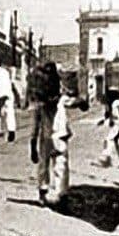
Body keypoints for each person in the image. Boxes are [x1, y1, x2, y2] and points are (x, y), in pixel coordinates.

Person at [31, 62, 72, 207]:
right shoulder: (61, 100)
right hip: (59, 136)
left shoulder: (40, 105)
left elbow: (35, 128)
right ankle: (62, 195)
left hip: (46, 138)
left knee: (44, 165)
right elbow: (75, 101)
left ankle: (43, 193)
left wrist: (32, 145)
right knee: (61, 165)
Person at [95, 88, 119, 169]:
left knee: (109, 140)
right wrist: (103, 121)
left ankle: (106, 158)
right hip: (116, 124)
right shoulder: (110, 104)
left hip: (118, 123)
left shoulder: (117, 102)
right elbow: (108, 115)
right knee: (118, 143)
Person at [0, 63, 17, 142]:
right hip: (8, 93)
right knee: (10, 113)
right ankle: (11, 131)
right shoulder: (8, 70)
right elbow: (12, 82)